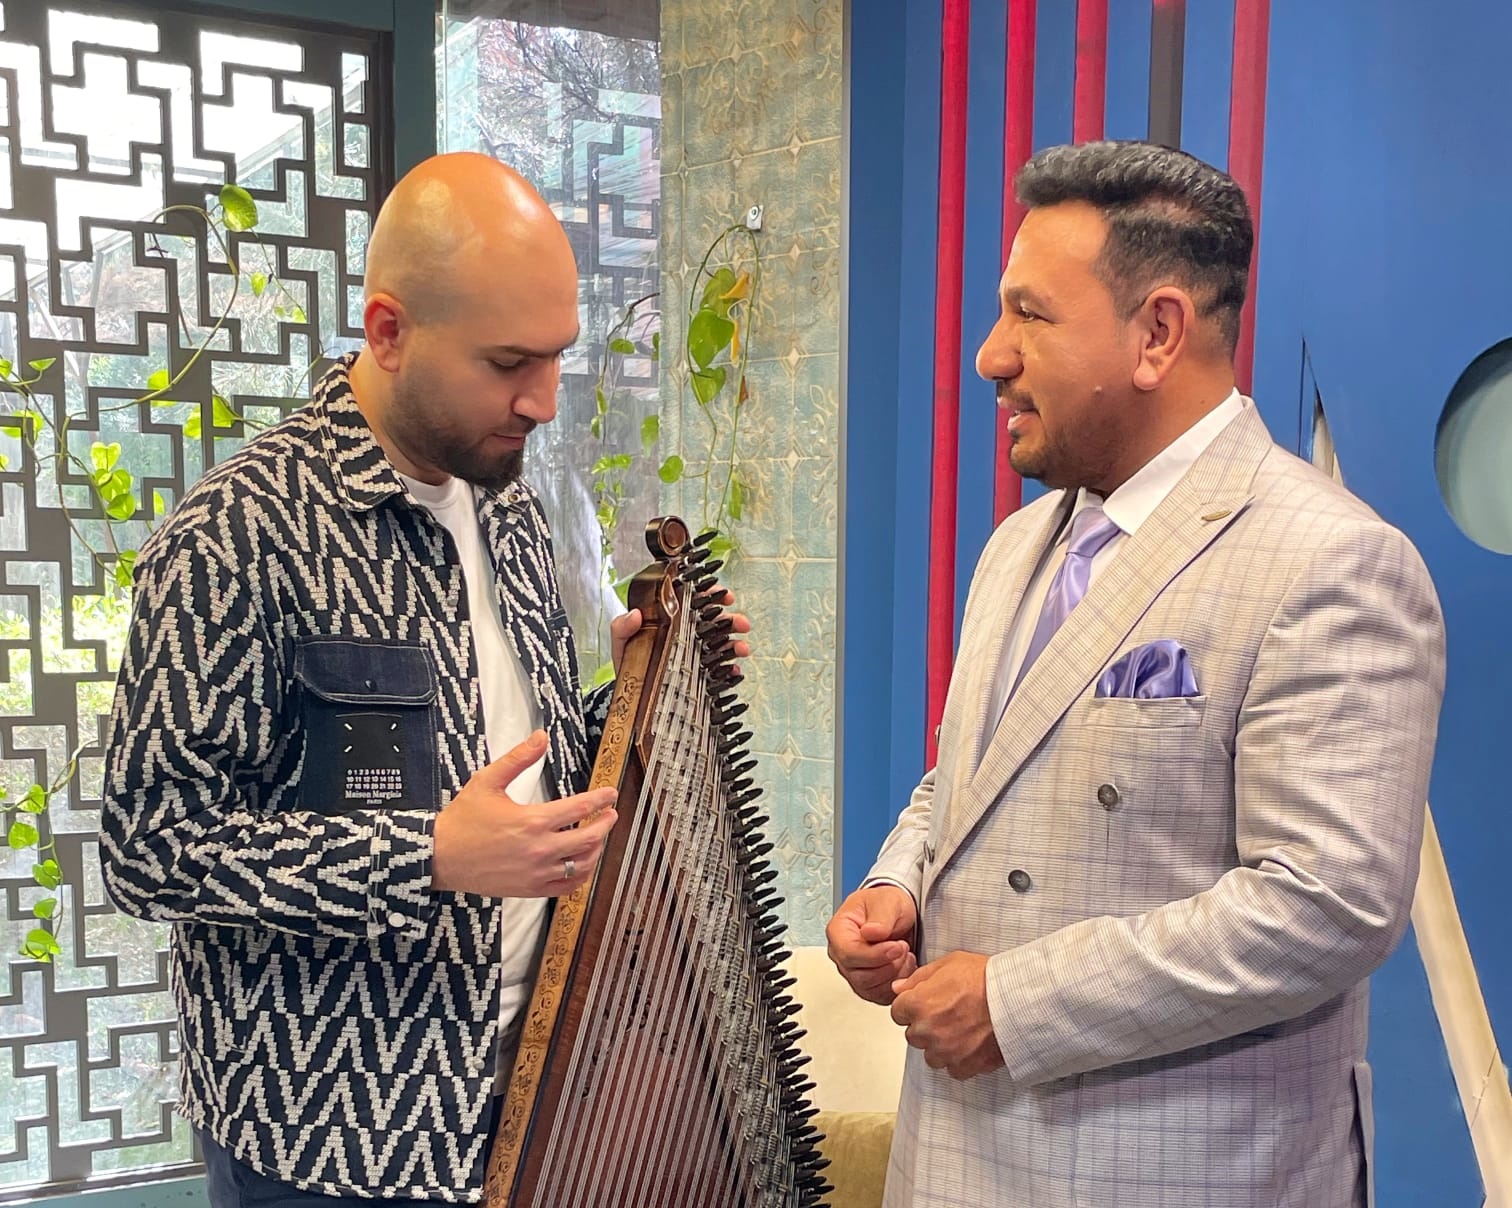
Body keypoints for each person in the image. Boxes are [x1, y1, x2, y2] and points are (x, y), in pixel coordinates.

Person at [100, 152, 748, 1204]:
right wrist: (425, 855)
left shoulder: (507, 504)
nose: (542, 400)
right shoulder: (238, 536)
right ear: (389, 331)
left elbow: (513, 759)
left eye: (556, 357)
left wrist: (639, 691)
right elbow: (149, 847)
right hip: (332, 1147)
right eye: (508, 363)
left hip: (537, 1103)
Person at [826, 140, 1445, 1208]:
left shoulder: (1333, 562)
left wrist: (1018, 1003)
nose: (990, 356)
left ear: (1157, 332)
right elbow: (966, 779)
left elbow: (1327, 901)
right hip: (953, 1164)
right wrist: (897, 885)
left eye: (1030, 315)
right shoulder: (1018, 547)